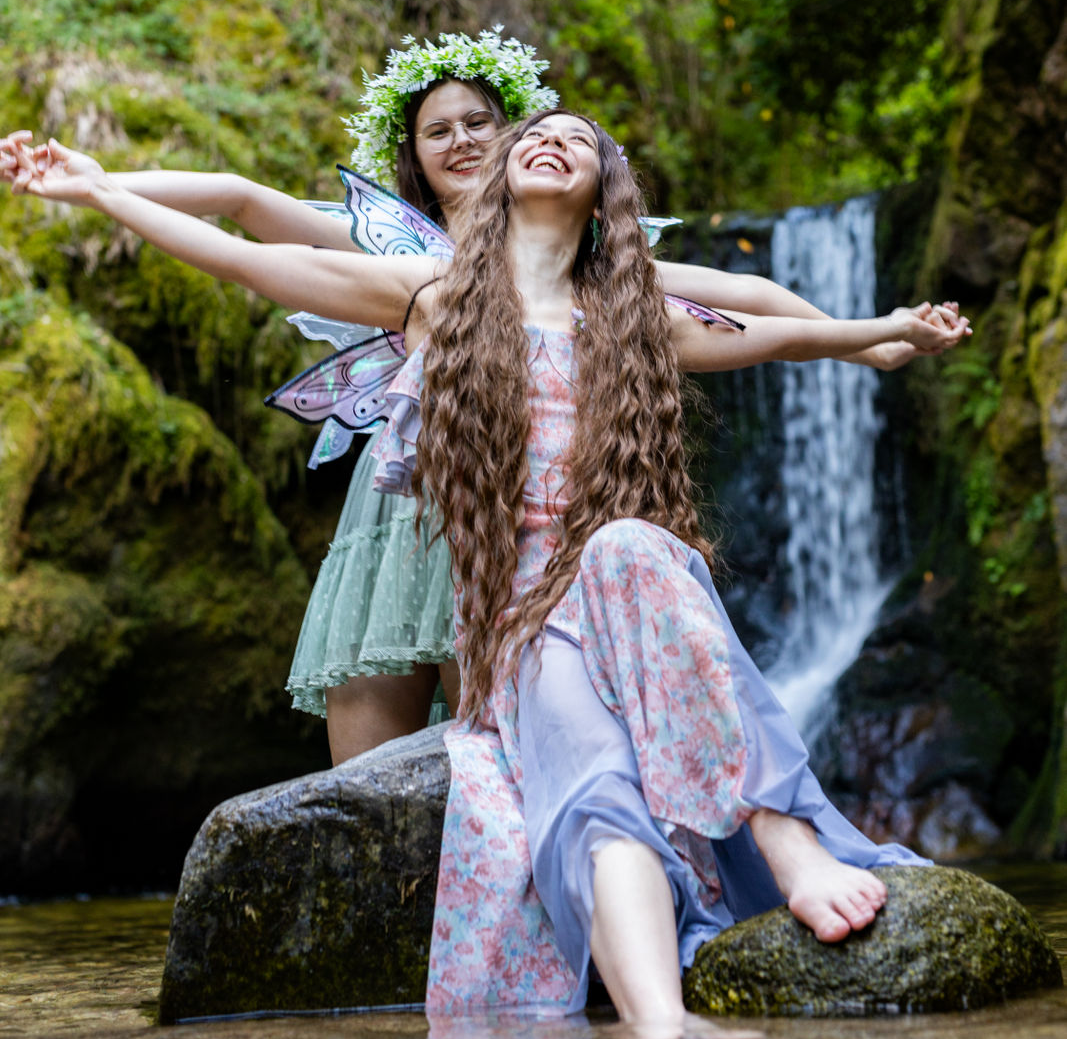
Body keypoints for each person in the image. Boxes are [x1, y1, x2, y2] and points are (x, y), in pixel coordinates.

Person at [5, 106, 966, 1031]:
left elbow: (778, 331)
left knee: (629, 543)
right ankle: (661, 1029)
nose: (548, 141)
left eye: (574, 143)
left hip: (634, 595)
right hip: (519, 627)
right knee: (593, 793)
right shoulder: (435, 298)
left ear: (604, 197)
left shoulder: (632, 320)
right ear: (504, 178)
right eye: (536, 135)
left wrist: (883, 334)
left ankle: (788, 848)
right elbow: (260, 259)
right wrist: (101, 195)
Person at [1, 56, 963, 768]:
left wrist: (868, 337)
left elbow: (747, 307)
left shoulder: (593, 265)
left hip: (525, 513)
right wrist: (100, 188)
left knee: (499, 734)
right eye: (437, 131)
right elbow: (246, 220)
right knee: (376, 728)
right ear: (412, 159)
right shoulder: (403, 263)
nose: (462, 141)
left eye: (479, 123)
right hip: (408, 497)